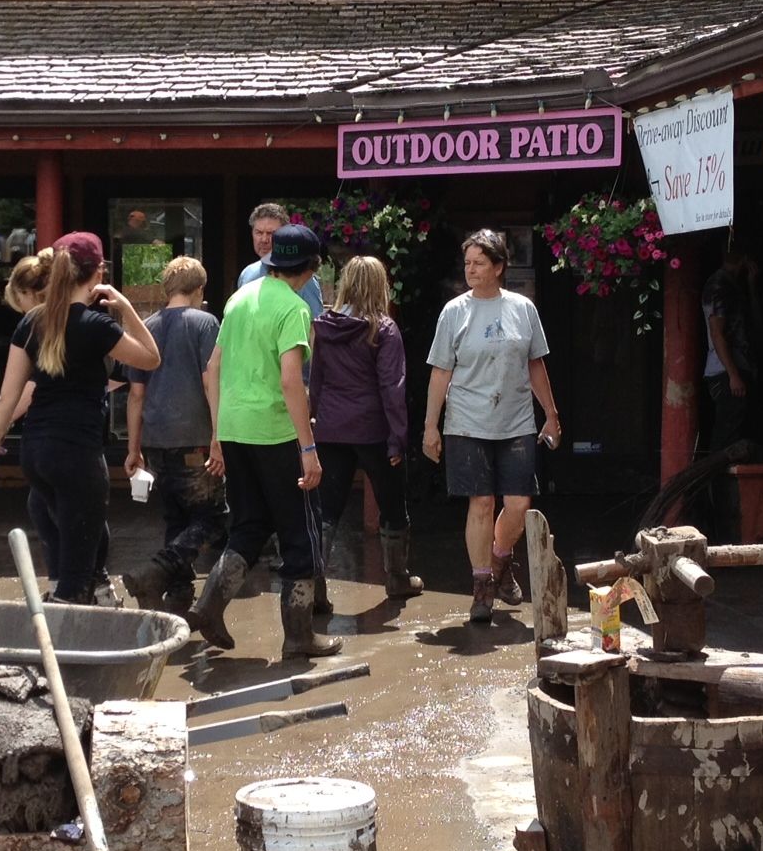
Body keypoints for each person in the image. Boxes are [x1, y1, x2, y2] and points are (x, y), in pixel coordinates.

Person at [0, 232, 159, 603]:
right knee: (75, 576)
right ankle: (59, 644)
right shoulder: (96, 325)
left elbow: (6, 399)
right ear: (98, 271)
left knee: (81, 550)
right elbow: (151, 358)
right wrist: (125, 307)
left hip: (35, 454)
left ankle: (85, 607)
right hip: (77, 455)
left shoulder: (32, 322)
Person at [190, 222, 342, 658]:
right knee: (300, 533)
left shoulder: (239, 299)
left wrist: (218, 431)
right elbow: (292, 381)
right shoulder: (293, 308)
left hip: (236, 429)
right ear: (311, 268)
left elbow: (213, 368)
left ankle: (209, 604)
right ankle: (298, 635)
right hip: (276, 434)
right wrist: (309, 447)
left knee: (249, 525)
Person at [422, 229, 560, 623]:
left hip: (515, 419)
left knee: (518, 504)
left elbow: (535, 363)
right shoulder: (454, 312)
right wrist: (431, 426)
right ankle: (482, 584)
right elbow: (440, 372)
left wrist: (551, 412)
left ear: (499, 267)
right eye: (467, 263)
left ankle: (500, 561)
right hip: (466, 421)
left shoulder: (522, 308)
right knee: (481, 502)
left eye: (480, 263)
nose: (471, 269)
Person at [309, 255, 422, 604]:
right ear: (379, 285)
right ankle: (397, 577)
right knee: (392, 504)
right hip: (373, 429)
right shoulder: (383, 328)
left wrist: (313, 423)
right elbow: (393, 387)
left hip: (330, 429)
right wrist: (398, 439)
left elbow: (317, 381)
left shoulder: (324, 326)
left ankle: (315, 586)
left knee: (327, 509)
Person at [122, 256, 228, 616]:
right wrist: (219, 434)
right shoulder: (205, 323)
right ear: (199, 290)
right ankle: (157, 571)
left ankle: (178, 592)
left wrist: (133, 448)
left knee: (175, 519)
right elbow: (208, 380)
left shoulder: (146, 326)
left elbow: (135, 394)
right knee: (213, 518)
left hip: (154, 440)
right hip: (194, 437)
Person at [701, 240, 760, 543]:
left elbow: (752, 321)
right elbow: (717, 331)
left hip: (736, 368)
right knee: (725, 443)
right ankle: (717, 516)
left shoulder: (731, 286)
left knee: (733, 438)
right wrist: (734, 374)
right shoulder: (719, 286)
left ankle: (726, 516)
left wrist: (750, 285)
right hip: (726, 372)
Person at [236, 201, 324, 317]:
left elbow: (315, 324)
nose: (264, 239)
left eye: (271, 233)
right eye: (259, 232)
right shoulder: (247, 274)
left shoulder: (302, 277)